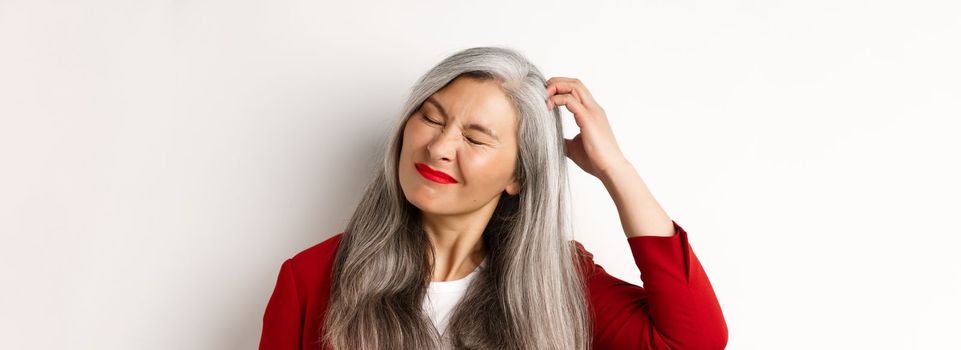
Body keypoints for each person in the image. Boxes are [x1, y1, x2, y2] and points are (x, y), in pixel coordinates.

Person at [259, 47, 727, 350]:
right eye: (432, 118)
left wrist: (614, 169)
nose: (440, 148)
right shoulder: (311, 278)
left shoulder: (556, 282)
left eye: (476, 138)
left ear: (518, 177)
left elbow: (693, 340)